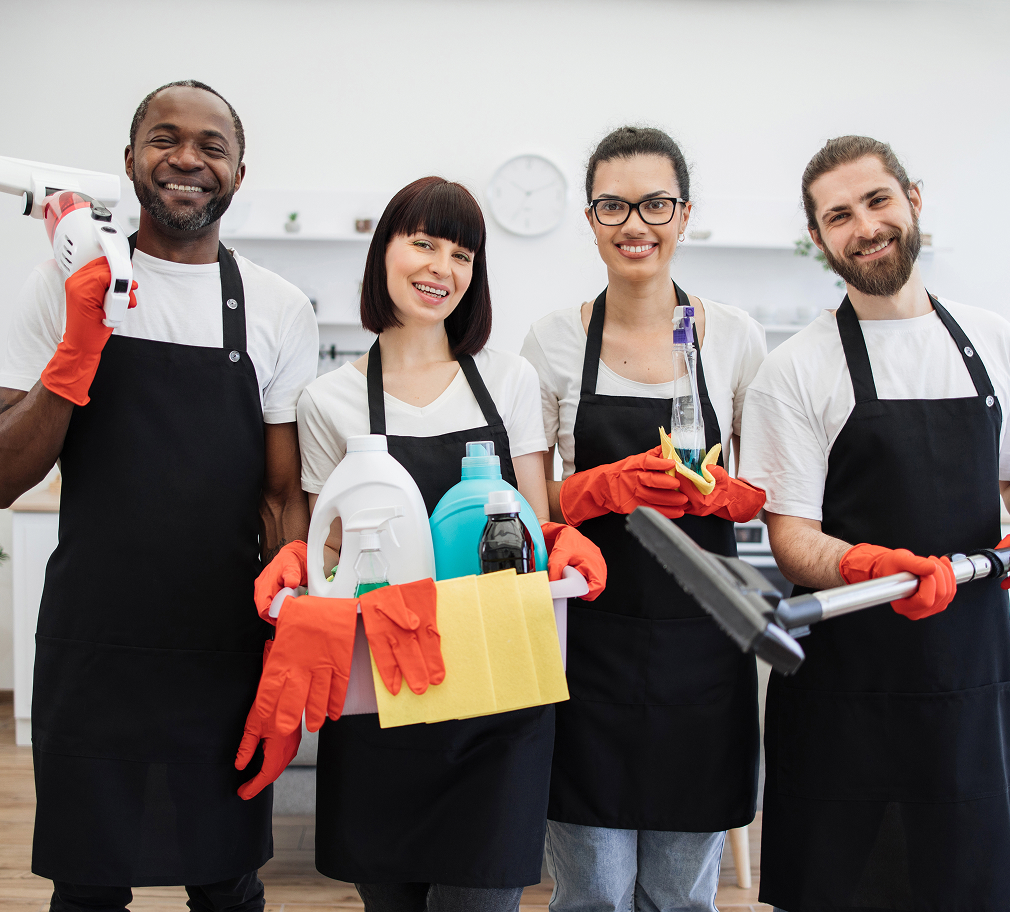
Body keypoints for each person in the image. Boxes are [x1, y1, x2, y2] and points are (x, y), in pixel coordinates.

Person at [0, 81, 318, 912]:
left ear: (239, 173)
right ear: (130, 161)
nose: (187, 159)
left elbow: (283, 500)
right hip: (96, 647)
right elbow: (3, 475)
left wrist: (290, 652)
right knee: (89, 886)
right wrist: (79, 346)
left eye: (212, 146)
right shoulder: (64, 284)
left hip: (223, 648)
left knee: (226, 884)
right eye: (164, 139)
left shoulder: (279, 311)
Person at [258, 176, 604, 912]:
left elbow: (534, 529)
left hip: (500, 693)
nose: (441, 267)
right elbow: (330, 556)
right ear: (384, 251)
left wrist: (563, 540)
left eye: (462, 254)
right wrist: (300, 563)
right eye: (422, 243)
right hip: (382, 695)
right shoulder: (331, 401)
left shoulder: (509, 381)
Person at [739, 135, 1010, 910]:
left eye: (877, 200)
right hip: (847, 694)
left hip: (974, 679)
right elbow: (792, 537)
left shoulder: (993, 341)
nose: (864, 226)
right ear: (819, 239)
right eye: (838, 216)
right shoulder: (796, 368)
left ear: (913, 200)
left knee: (972, 885)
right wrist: (867, 566)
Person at [521, 126, 767, 912]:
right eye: (613, 206)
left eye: (655, 203)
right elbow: (535, 507)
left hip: (704, 641)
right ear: (590, 219)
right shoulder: (552, 340)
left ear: (685, 213)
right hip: (587, 644)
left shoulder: (733, 335)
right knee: (591, 892)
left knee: (680, 897)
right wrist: (606, 487)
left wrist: (721, 494)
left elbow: (766, 483)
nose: (636, 225)